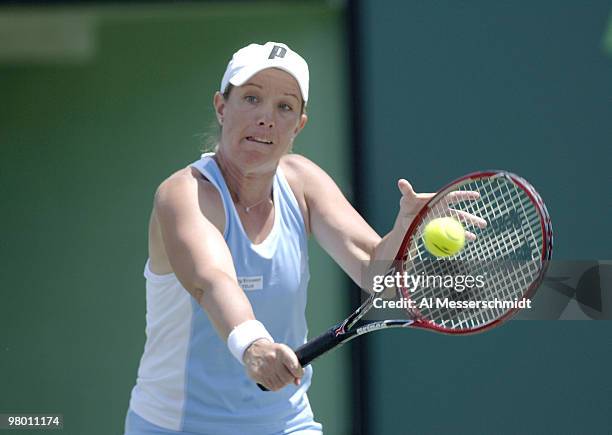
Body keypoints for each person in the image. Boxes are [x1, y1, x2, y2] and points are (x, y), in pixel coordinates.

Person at [124, 41, 451, 435]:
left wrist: (404, 230)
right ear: (221, 106)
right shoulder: (184, 194)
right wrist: (254, 347)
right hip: (176, 427)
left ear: (299, 125)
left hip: (286, 424)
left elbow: (375, 274)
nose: (266, 118)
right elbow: (212, 282)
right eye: (251, 98)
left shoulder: (303, 182)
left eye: (284, 107)